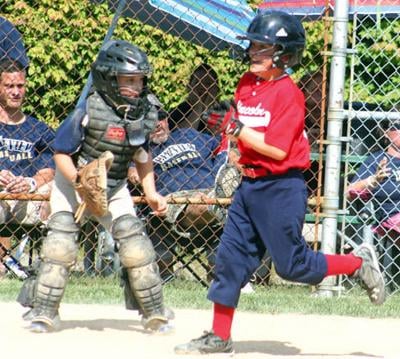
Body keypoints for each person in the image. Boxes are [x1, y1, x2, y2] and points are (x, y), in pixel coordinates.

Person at [174, 11, 386, 355]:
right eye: (254, 45)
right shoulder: (246, 83)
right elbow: (237, 124)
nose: (254, 52)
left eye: (263, 47)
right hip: (249, 186)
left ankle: (357, 264)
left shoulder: (289, 94)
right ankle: (219, 335)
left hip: (281, 188)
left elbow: (276, 147)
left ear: (283, 54)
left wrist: (241, 132)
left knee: (293, 265)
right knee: (229, 260)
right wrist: (230, 135)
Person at [19, 39, 173, 333]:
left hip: (112, 187)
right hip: (72, 182)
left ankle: (154, 312)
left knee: (136, 245)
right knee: (60, 245)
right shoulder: (88, 109)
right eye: (128, 80)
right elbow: (61, 152)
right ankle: (43, 310)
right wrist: (79, 183)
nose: (135, 87)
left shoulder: (145, 112)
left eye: (139, 81)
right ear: (108, 78)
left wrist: (151, 193)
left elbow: (142, 157)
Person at [129, 115, 239, 281]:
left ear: (167, 120)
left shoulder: (189, 134)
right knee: (205, 202)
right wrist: (136, 177)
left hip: (209, 188)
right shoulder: (143, 151)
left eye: (162, 118)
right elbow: (133, 173)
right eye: (151, 120)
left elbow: (225, 148)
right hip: (173, 200)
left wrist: (234, 158)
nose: (158, 123)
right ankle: (215, 205)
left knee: (218, 191)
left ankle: (217, 200)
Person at [0, 59, 54, 277]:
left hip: (28, 198)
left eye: (20, 86)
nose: (16, 92)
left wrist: (31, 183)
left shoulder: (39, 129)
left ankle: (52, 268)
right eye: (9, 86)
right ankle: (5, 263)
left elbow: (51, 167)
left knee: (57, 189)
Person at [347, 117, 400, 290]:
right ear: (385, 131)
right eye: (398, 126)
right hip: (393, 216)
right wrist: (374, 180)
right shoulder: (377, 159)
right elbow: (349, 192)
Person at [168, 63, 219, 131]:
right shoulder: (178, 111)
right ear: (189, 87)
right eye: (198, 82)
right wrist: (198, 108)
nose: (202, 87)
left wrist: (207, 109)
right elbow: (181, 137)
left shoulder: (223, 112)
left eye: (208, 83)